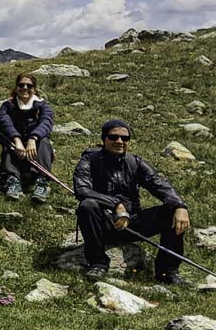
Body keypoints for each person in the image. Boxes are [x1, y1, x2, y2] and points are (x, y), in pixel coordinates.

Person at [72, 120, 190, 284]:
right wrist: (116, 204)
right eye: (113, 137)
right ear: (104, 139)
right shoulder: (89, 160)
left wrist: (180, 206)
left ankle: (167, 272)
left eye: (124, 138)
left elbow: (159, 184)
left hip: (132, 223)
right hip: (103, 223)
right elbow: (82, 190)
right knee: (87, 205)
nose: (119, 141)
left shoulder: (135, 162)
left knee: (172, 212)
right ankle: (98, 263)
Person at [0, 72, 55, 203]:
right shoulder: (7, 106)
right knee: (8, 144)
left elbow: (46, 123)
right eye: (21, 85)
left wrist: (33, 138)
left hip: (36, 150)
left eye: (29, 85)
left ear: (34, 89)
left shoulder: (43, 106)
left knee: (44, 141)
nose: (25, 88)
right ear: (16, 87)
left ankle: (42, 182)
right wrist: (17, 140)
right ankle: (13, 180)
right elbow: (4, 123)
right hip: (16, 149)